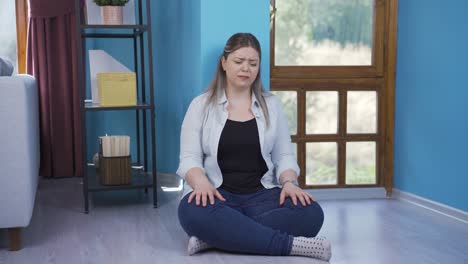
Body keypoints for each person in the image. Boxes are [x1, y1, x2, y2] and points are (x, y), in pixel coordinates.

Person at [176, 33, 331, 261]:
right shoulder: (201, 105)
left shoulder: (272, 105)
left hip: (261, 197)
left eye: (253, 63)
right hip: (217, 196)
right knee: (190, 211)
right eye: (239, 61)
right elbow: (189, 158)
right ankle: (291, 246)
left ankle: (215, 237)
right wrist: (200, 184)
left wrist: (289, 183)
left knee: (311, 213)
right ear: (224, 63)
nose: (245, 68)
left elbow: (284, 155)